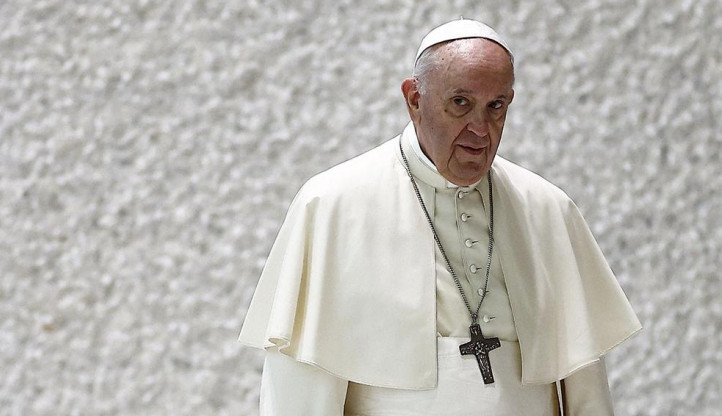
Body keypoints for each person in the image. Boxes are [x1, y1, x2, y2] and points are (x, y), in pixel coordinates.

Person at [239, 18, 641, 416]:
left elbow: (585, 386)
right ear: (414, 99)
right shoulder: (332, 205)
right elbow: (299, 392)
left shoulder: (547, 209)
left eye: (496, 107)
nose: (480, 130)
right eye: (460, 103)